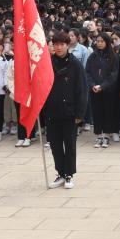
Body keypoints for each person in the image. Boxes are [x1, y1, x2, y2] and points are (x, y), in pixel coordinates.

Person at [45, 32, 88, 189]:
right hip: (52, 111)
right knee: (55, 144)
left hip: (70, 111)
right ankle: (60, 173)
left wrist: (80, 113)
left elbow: (82, 90)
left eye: (62, 44)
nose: (58, 47)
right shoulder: (48, 63)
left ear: (67, 45)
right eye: (56, 44)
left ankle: (69, 174)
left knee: (69, 144)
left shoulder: (75, 64)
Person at [86, 32, 120, 148]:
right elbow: (87, 72)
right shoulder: (93, 56)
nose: (99, 43)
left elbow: (114, 74)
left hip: (108, 90)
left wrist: (102, 86)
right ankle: (98, 135)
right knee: (96, 113)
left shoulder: (113, 56)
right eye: (98, 41)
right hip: (94, 90)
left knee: (108, 112)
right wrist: (92, 85)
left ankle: (106, 135)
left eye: (102, 41)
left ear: (107, 42)